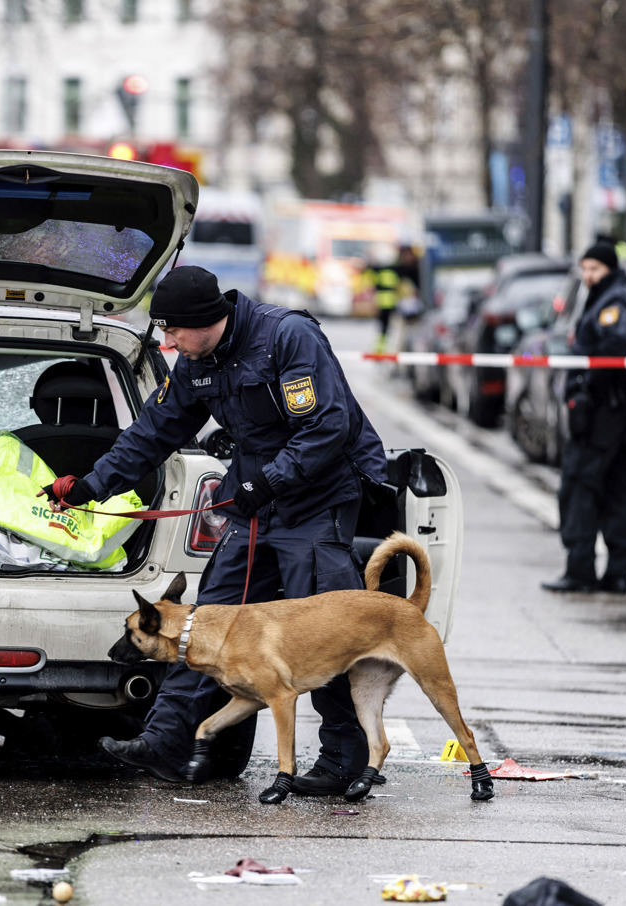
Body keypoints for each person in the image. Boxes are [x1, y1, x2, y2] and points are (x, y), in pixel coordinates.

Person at [43, 265, 388, 795]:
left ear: (207, 320)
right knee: (199, 626)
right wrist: (92, 485)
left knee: (323, 634)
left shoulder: (287, 337)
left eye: (173, 330)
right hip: (254, 506)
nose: (168, 342)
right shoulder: (195, 360)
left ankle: (343, 759)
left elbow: (327, 426)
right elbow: (154, 430)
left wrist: (268, 482)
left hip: (315, 504)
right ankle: (165, 742)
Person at [542, 243, 626, 594]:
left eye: (595, 269)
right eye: (585, 269)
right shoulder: (608, 298)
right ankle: (617, 573)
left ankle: (581, 570)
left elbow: (614, 347)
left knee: (579, 487)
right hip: (617, 412)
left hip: (605, 414)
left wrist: (587, 391)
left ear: (610, 269)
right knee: (618, 490)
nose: (588, 276)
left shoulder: (615, 302)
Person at [369, 246, 419, 353]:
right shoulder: (397, 269)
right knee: (394, 328)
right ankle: (390, 349)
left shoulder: (377, 270)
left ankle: (381, 349)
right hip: (393, 303)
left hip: (382, 303)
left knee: (384, 328)